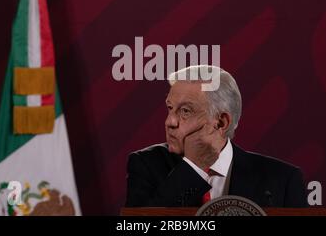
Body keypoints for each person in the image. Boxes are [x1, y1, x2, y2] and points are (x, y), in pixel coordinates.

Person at [125, 65, 307, 207]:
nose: (170, 121)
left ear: (221, 123)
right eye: (170, 108)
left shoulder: (281, 180)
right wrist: (194, 167)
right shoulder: (145, 165)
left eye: (185, 111)